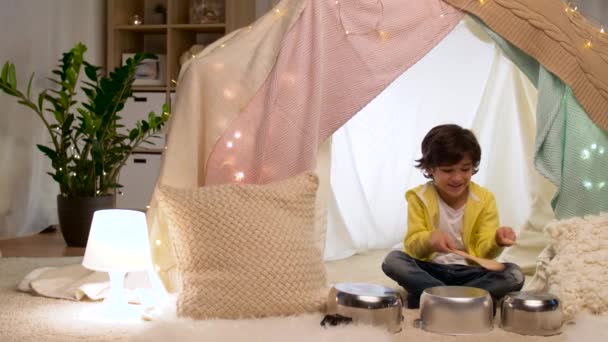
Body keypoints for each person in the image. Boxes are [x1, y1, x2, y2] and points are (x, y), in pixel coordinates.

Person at [381, 124, 524, 309]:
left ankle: (433, 296)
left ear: (473, 167)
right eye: (448, 170)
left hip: (470, 271)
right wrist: (430, 240)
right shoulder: (418, 197)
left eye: (465, 169)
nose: (457, 178)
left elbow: (482, 253)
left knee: (514, 274)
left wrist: (496, 240)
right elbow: (413, 246)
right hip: (430, 270)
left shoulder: (484, 199)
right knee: (393, 261)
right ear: (430, 168)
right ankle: (464, 299)